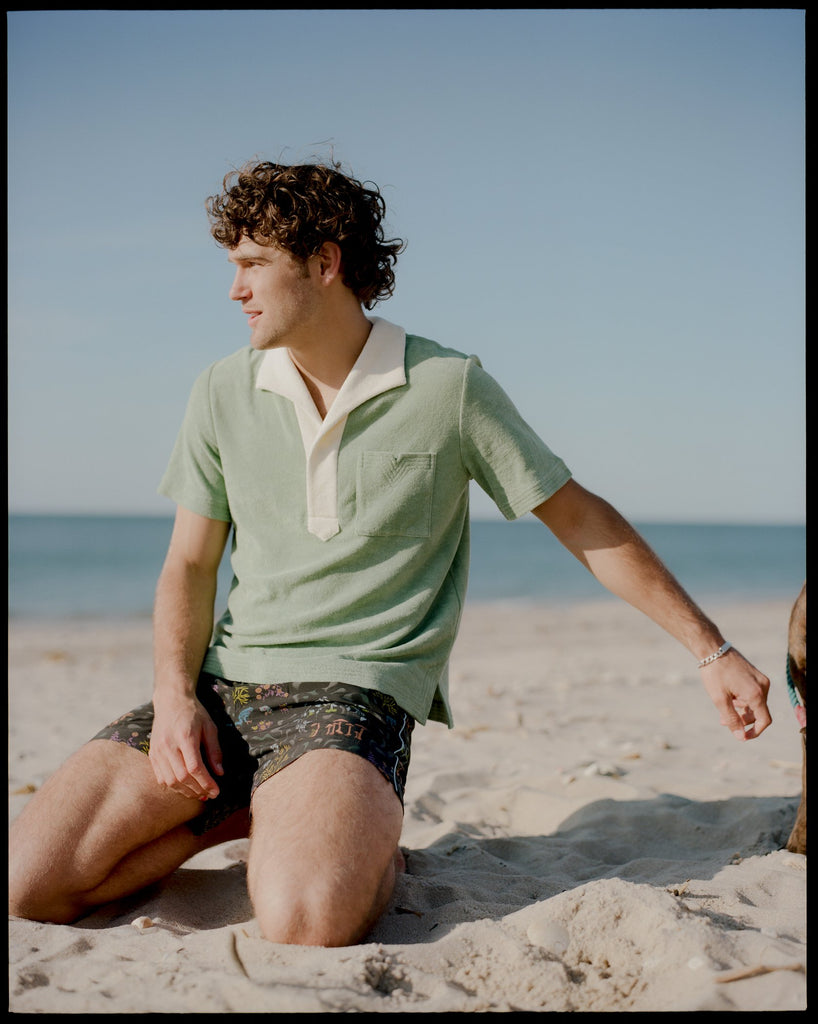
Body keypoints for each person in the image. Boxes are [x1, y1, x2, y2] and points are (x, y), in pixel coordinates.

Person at [9, 158, 772, 947]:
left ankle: (320, 819)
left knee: (306, 921)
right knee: (27, 885)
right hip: (223, 691)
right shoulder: (220, 390)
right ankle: (246, 806)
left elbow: (581, 521)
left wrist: (711, 651)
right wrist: (175, 698)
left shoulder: (448, 386)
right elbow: (190, 566)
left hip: (351, 695)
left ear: (325, 262)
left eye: (252, 265)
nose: (233, 290)